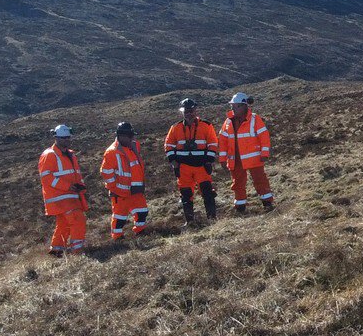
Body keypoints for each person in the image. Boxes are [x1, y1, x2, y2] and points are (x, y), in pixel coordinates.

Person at [163, 98, 222, 226]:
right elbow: (168, 145)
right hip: (183, 167)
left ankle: (212, 219)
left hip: (201, 166)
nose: (189, 113)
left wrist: (209, 161)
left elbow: (213, 144)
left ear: (195, 111)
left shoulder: (206, 125)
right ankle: (189, 221)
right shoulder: (175, 128)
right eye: (186, 111)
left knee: (207, 192)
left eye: (191, 111)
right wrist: (173, 161)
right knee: (185, 195)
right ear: (182, 112)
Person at [218, 92, 275, 214]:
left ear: (244, 106)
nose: (233, 108)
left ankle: (267, 203)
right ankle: (240, 207)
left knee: (260, 180)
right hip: (236, 159)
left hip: (254, 158)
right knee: (238, 183)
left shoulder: (255, 119)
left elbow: (264, 136)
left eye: (236, 106)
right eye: (232, 106)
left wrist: (264, 153)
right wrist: (222, 159)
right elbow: (222, 141)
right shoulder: (228, 122)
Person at [37, 124, 88, 257]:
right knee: (78, 219)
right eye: (63, 138)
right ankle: (77, 250)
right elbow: (46, 177)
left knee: (64, 223)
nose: (66, 140)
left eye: (67, 137)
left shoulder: (70, 154)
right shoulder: (49, 155)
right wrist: (67, 186)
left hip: (70, 196)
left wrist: (80, 187)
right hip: (60, 197)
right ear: (56, 138)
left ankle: (57, 250)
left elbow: (75, 174)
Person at [100, 121, 149, 241]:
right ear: (121, 136)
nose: (133, 138)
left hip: (136, 189)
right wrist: (114, 188)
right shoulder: (111, 152)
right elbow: (106, 173)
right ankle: (117, 239)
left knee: (142, 212)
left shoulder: (134, 145)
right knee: (119, 218)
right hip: (121, 192)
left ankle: (140, 232)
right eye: (130, 136)